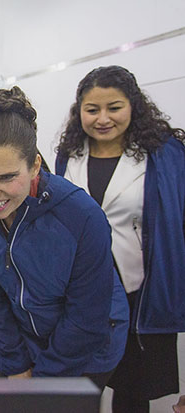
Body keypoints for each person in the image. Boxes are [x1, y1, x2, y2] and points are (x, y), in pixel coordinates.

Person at [0, 86, 129, 389]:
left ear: (35, 165)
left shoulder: (81, 216)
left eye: (7, 177)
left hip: (87, 352)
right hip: (27, 342)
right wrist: (16, 362)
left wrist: (42, 381)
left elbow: (86, 318)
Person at [55, 65, 184, 412]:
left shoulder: (163, 154)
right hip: (80, 293)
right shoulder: (68, 154)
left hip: (137, 291)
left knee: (132, 389)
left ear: (133, 106)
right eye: (92, 109)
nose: (102, 118)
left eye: (114, 107)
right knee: (82, 385)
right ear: (79, 110)